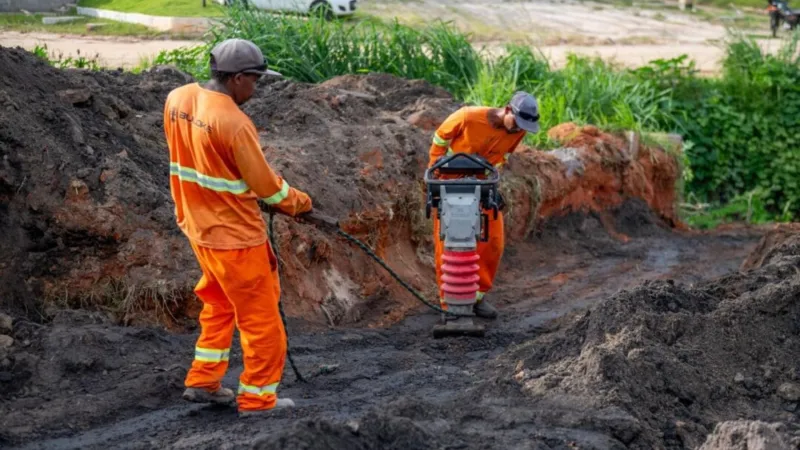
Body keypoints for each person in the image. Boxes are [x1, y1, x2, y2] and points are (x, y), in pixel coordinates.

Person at [163, 38, 314, 416]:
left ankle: (203, 380)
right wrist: (300, 202)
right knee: (262, 323)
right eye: (255, 81)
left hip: (198, 228)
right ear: (237, 79)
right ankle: (258, 398)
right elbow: (267, 187)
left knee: (219, 305)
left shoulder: (178, 98)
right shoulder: (234, 122)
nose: (256, 89)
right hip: (236, 239)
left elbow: (206, 165)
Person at [427, 91, 541, 319]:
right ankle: (450, 303)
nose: (519, 129)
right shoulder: (467, 117)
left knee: (493, 241)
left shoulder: (517, 131)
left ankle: (477, 296)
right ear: (508, 110)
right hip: (451, 183)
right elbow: (439, 139)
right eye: (517, 123)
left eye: (523, 127)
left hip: (481, 184)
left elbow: (502, 157)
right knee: (449, 243)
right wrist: (435, 176)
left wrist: (491, 183)